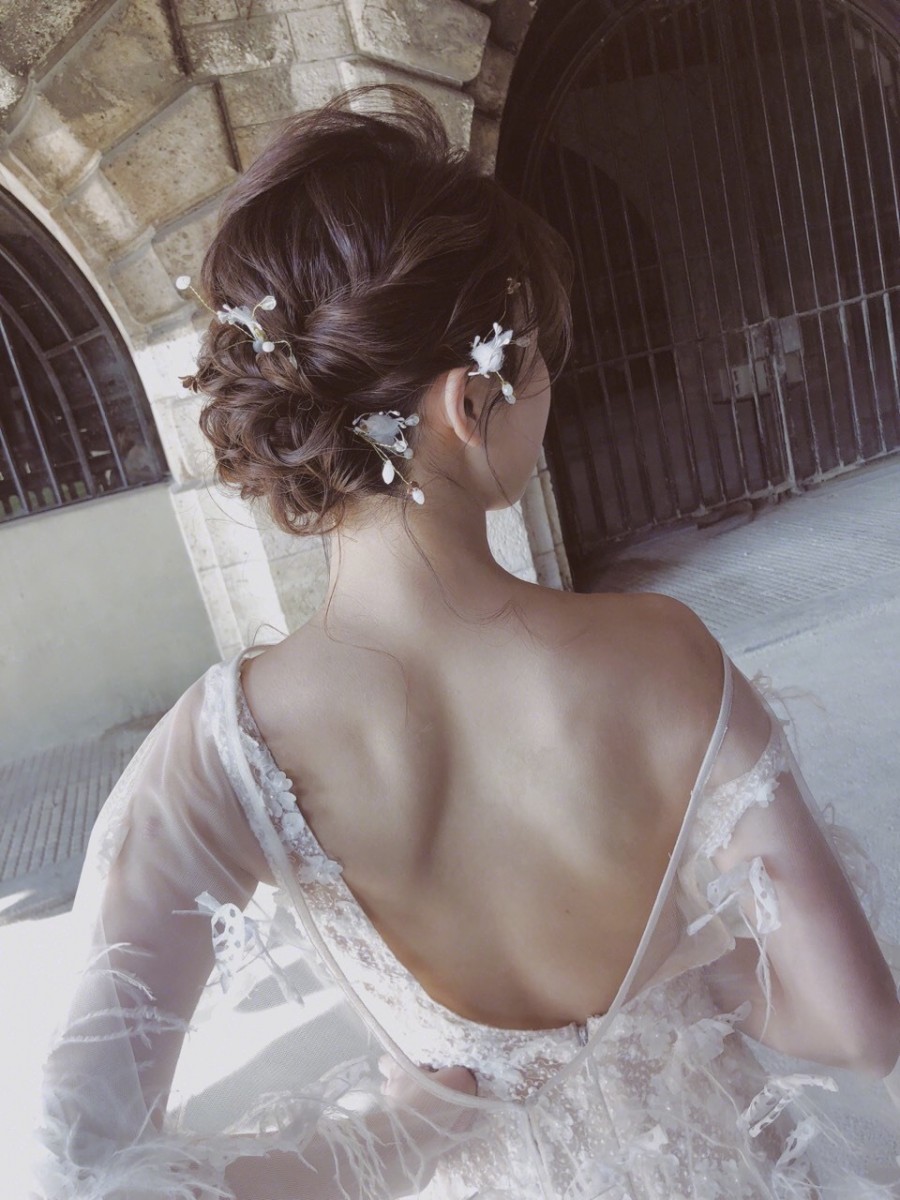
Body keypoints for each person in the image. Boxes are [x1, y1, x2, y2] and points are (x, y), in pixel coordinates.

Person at [30, 85, 900, 1199]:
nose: (548, 389)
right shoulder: (663, 656)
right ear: (461, 404)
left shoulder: (221, 755)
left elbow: (77, 1169)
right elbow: (859, 1022)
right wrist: (683, 984)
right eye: (533, 359)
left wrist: (413, 1128)